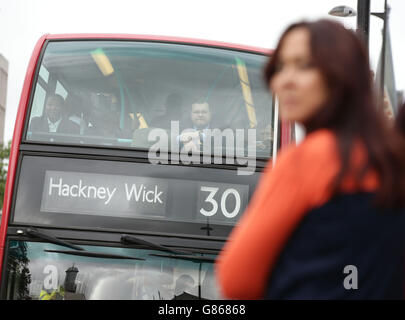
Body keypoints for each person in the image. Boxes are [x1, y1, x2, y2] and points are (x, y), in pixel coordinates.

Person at [215, 19, 405, 299]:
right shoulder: (394, 163)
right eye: (280, 67)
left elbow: (236, 279)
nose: (286, 80)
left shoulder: (308, 160)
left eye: (304, 66)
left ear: (342, 75)